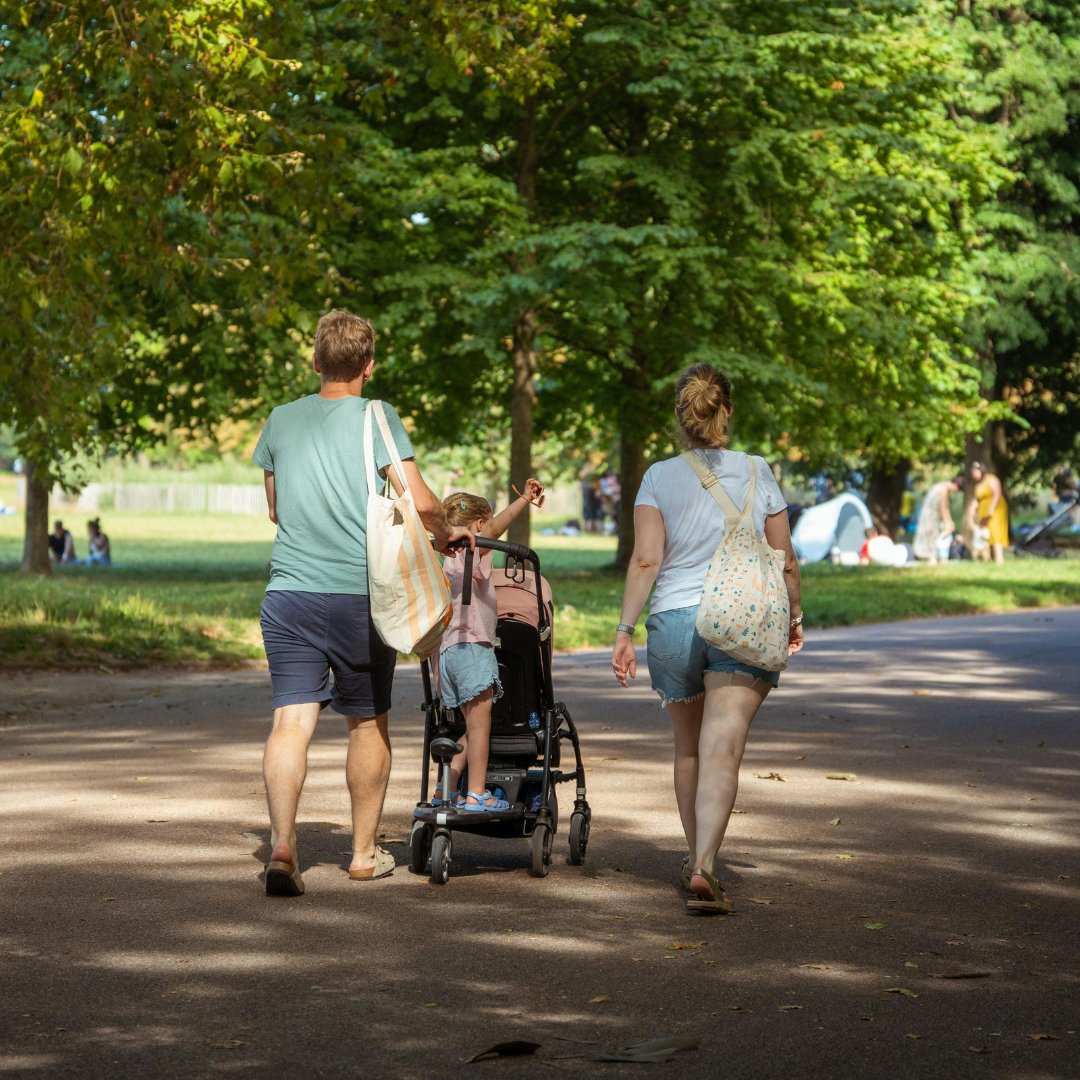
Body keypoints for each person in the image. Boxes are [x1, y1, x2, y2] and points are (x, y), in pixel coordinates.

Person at [251, 309, 473, 897]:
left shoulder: (280, 420)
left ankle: (281, 846)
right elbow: (422, 501)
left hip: (290, 593)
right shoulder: (380, 417)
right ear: (368, 366)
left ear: (315, 361)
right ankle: (361, 853)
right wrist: (445, 534)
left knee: (290, 722)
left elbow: (275, 507)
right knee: (367, 721)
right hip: (360, 598)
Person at [611, 364, 803, 916]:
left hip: (673, 620)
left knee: (689, 747)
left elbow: (647, 559)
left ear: (680, 414)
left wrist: (625, 630)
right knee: (724, 745)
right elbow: (784, 558)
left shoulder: (656, 476)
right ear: (728, 410)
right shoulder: (757, 470)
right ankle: (704, 867)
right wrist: (795, 616)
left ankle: (695, 855)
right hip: (740, 616)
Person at [435, 478, 546, 810]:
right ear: (479, 525)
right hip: (473, 648)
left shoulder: (444, 556)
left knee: (470, 726)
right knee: (482, 728)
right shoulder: (474, 547)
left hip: (447, 651)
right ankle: (477, 792)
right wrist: (525, 499)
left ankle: (448, 785)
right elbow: (497, 527)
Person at [967, 461, 1008, 564]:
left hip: (996, 509)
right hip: (983, 509)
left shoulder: (991, 479)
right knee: (985, 533)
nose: (973, 474)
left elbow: (997, 494)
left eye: (975, 472)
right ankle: (989, 557)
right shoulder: (978, 484)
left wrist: (991, 509)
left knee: (996, 531)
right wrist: (971, 509)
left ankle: (999, 558)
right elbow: (976, 499)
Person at [912, 477, 960, 564]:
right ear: (955, 485)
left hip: (928, 514)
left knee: (926, 535)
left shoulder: (940, 486)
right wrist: (948, 522)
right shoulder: (944, 489)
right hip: (931, 516)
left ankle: (923, 556)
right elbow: (944, 507)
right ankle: (932, 558)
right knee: (932, 535)